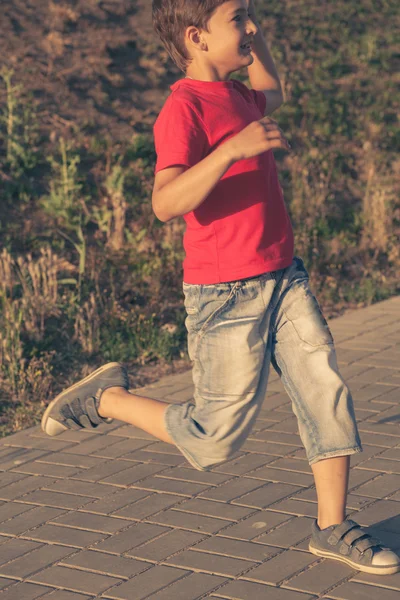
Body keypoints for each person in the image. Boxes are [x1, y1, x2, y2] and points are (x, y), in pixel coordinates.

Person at [41, 0, 399, 575]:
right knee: (214, 440)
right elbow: (165, 203)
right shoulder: (183, 108)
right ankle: (104, 398)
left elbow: (274, 91)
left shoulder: (239, 95)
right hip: (224, 295)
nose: (252, 27)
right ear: (196, 38)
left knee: (324, 390)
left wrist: (258, 43)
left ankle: (332, 528)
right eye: (240, 20)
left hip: (284, 277)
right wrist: (231, 150)